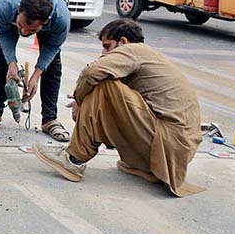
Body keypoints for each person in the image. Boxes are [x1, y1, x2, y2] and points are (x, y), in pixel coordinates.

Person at [33, 19, 204, 196]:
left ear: (123, 42)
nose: (104, 53)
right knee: (102, 85)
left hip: (168, 143)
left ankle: (74, 159)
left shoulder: (134, 50)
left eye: (107, 46)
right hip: (173, 150)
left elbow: (90, 72)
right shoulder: (149, 57)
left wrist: (79, 98)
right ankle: (146, 168)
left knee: (103, 84)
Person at [0, 0, 71, 141]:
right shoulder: (5, 5)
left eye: (32, 30)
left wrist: (37, 74)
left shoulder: (60, 18)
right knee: (1, 58)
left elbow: (53, 45)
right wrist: (11, 64)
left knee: (52, 65)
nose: (23, 31)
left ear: (46, 22)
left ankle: (49, 119)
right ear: (19, 10)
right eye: (21, 25)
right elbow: (2, 33)